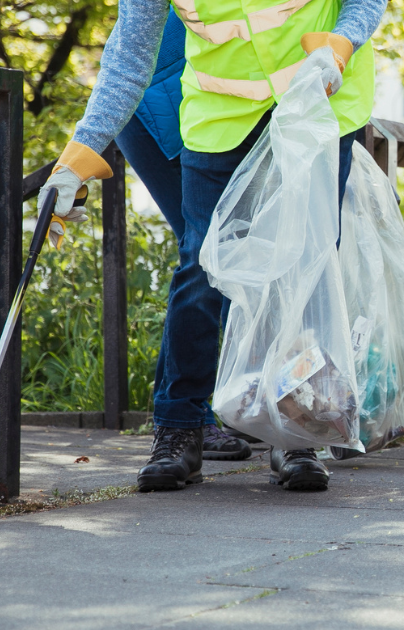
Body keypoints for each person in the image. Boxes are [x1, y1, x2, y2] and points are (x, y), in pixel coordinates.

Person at [37, 0, 386, 492]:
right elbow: (130, 56)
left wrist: (343, 42)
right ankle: (179, 428)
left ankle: (297, 435)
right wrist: (76, 159)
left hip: (317, 96)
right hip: (219, 112)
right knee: (202, 263)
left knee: (305, 265)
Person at [112, 10, 251, 462]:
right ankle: (188, 420)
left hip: (193, 101)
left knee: (213, 254)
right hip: (160, 107)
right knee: (208, 254)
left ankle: (201, 412)